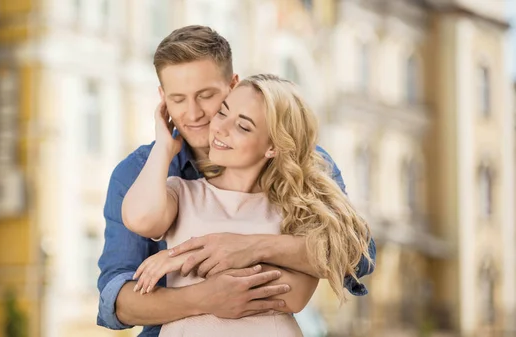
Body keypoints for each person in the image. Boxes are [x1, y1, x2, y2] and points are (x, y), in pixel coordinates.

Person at [97, 25, 376, 336]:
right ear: (162, 100)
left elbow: (356, 257)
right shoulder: (147, 176)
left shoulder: (301, 170)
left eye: (206, 96)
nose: (194, 114)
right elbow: (117, 299)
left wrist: (248, 247)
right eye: (177, 99)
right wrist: (204, 297)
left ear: (232, 85)